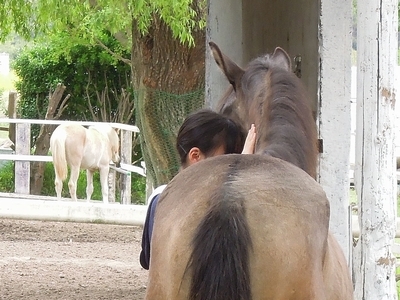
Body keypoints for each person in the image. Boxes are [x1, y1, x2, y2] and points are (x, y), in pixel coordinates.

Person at [139, 109, 256, 270]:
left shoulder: (159, 197)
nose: (231, 169)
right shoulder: (167, 201)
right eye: (226, 160)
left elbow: (147, 259)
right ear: (195, 156)